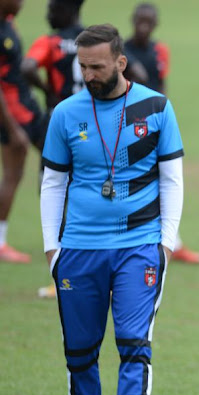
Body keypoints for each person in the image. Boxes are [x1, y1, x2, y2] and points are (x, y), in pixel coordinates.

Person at [40, 24, 184, 395]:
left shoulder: (156, 107)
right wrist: (51, 247)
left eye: (97, 66)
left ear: (120, 63)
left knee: (133, 343)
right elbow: (53, 183)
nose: (88, 74)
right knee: (79, 351)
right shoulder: (65, 113)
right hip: (78, 250)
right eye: (82, 66)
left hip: (138, 247)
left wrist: (167, 241)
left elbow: (171, 178)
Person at [123, 2, 199, 264]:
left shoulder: (160, 51)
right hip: (129, 126)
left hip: (154, 123)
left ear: (156, 24)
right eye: (140, 20)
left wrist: (165, 118)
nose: (144, 25)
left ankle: (173, 241)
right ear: (133, 20)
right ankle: (164, 240)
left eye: (149, 21)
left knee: (165, 179)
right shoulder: (121, 52)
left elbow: (162, 86)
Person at [21, 0, 85, 296]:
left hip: (58, 127)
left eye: (52, 8)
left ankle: (65, 281)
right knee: (85, 198)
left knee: (54, 197)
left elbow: (28, 66)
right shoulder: (94, 41)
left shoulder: (52, 42)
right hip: (90, 129)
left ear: (67, 9)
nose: (48, 14)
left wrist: (47, 92)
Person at [0, 0, 44, 263]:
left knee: (63, 159)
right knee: (13, 174)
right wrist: (13, 128)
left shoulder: (8, 21)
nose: (22, 3)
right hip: (13, 117)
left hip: (28, 110)